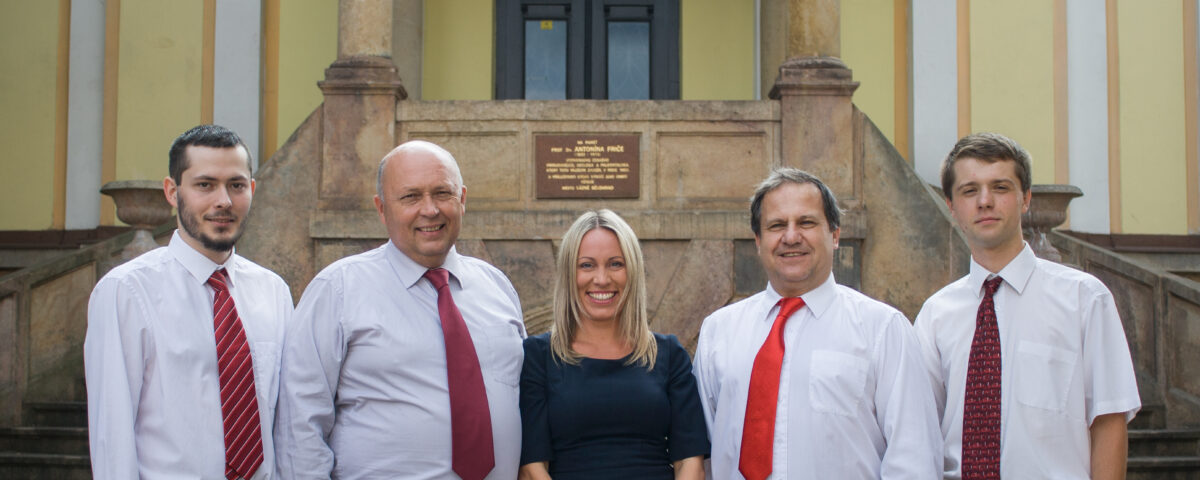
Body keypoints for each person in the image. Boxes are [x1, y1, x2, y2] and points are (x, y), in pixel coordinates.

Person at [274, 140, 526, 480]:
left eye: (442, 193)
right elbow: (299, 422)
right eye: (411, 197)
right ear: (381, 208)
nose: (430, 210)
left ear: (462, 199)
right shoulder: (339, 289)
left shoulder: (496, 287)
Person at [914, 132, 1140, 480]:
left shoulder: (1084, 298)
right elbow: (918, 425)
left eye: (1000, 187)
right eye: (970, 190)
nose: (985, 201)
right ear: (951, 206)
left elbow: (1109, 419)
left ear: (1025, 198)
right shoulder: (935, 314)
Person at [693, 167, 942, 479]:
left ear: (835, 235)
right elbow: (700, 455)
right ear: (758, 240)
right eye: (776, 225)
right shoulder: (719, 332)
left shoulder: (883, 329)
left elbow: (914, 457)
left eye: (806, 223)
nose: (791, 237)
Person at [85, 124, 291, 479]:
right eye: (205, 185)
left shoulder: (273, 291)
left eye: (237, 185)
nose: (224, 201)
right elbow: (111, 437)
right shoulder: (126, 292)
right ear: (172, 191)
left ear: (252, 190)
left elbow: (286, 422)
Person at [518, 209, 709, 480]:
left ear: (633, 271)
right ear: (569, 274)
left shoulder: (669, 354)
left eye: (615, 264)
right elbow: (532, 469)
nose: (602, 279)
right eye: (587, 265)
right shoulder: (538, 356)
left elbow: (690, 463)